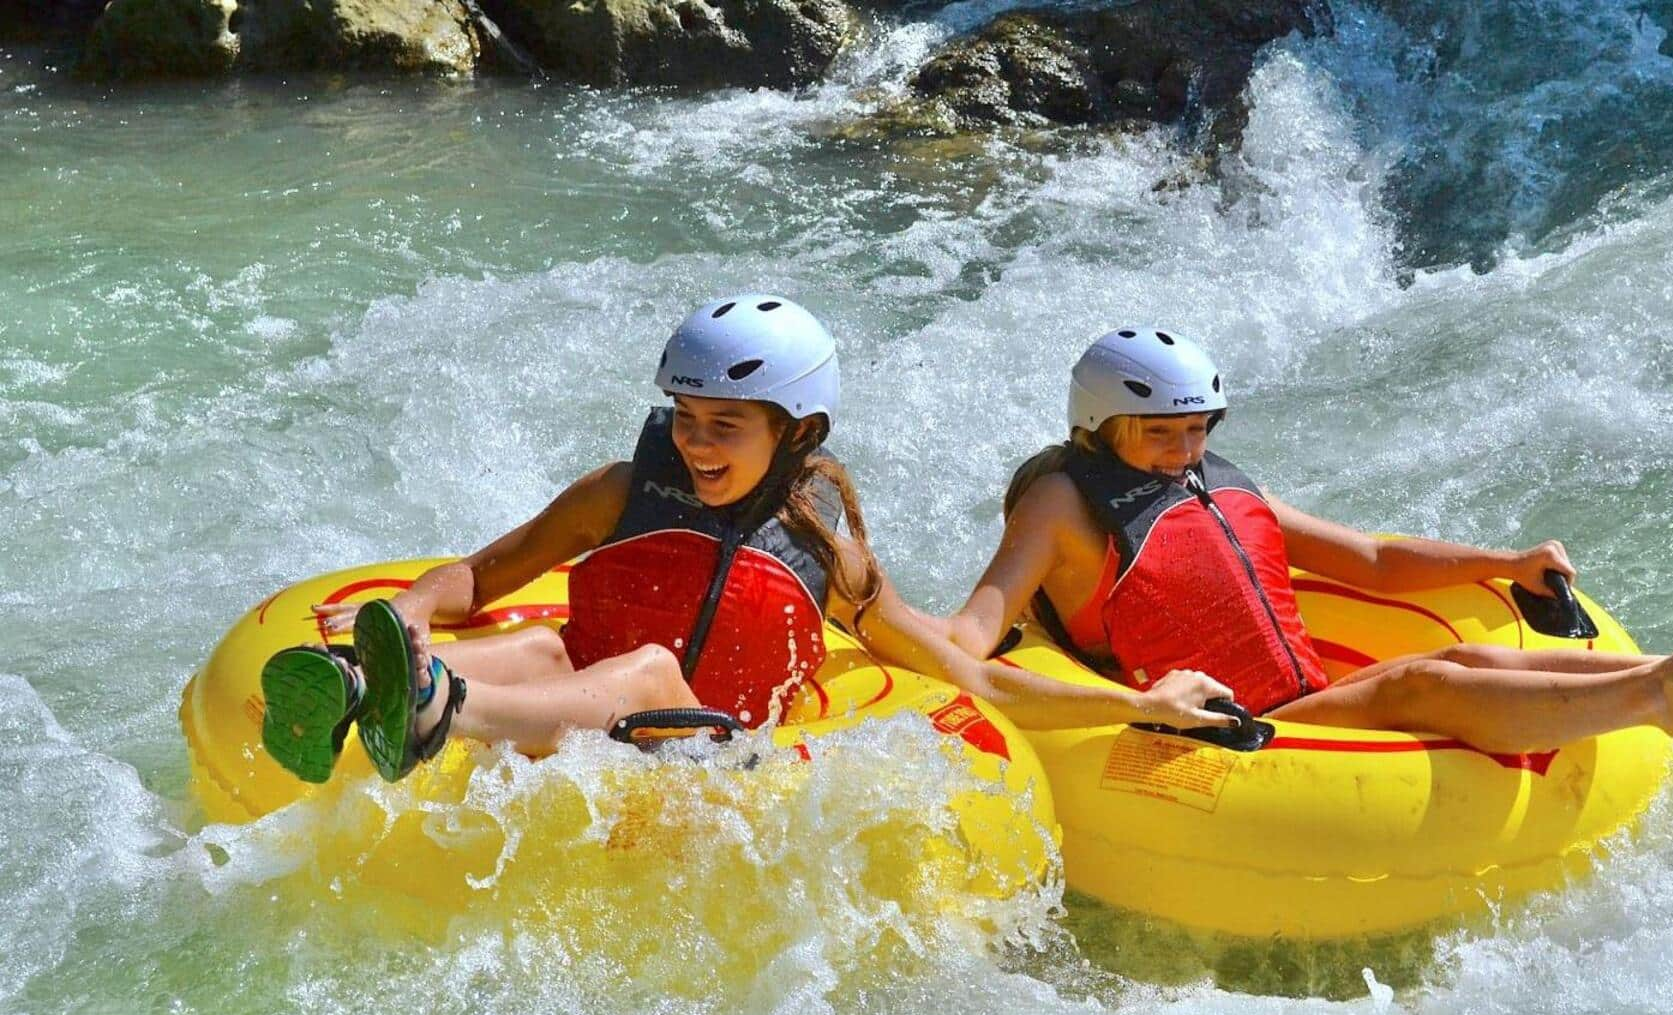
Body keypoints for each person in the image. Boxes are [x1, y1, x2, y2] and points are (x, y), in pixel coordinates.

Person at [259, 297, 1238, 785]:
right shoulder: (618, 494)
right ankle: (364, 684)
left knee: (642, 665)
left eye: (725, 425)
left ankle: (440, 707)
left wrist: (1134, 703)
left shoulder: (828, 552)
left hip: (717, 762)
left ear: (796, 432)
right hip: (594, 717)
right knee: (544, 642)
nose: (693, 442)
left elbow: (967, 675)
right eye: (686, 417)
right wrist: (415, 606)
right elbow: (489, 569)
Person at [936, 326, 1673, 767]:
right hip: (1220, 735)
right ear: (1098, 426)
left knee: (1469, 652)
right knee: (1418, 685)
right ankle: (1671, 695)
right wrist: (890, 642)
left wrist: (1503, 564)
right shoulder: (1061, 503)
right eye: (1160, 435)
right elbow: (977, 630)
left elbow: (1365, 561)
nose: (1186, 452)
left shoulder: (1204, 482)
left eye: (1198, 430)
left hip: (1295, 698)